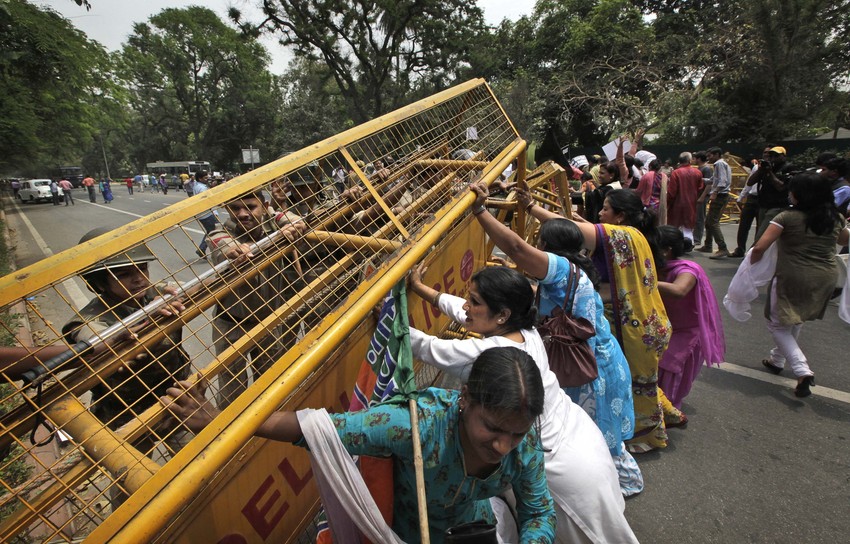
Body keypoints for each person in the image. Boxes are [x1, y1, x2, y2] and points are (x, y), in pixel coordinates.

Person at [163, 346, 557, 542]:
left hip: (471, 532)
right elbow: (317, 428)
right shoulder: (413, 427)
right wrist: (220, 421)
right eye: (492, 430)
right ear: (465, 399)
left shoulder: (523, 440)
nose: (505, 447)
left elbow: (539, 510)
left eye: (517, 434)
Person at [408, 265, 638, 540]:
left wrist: (390, 321)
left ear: (502, 314)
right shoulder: (525, 331)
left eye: (475, 301)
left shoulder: (487, 351)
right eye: (470, 298)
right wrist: (422, 289)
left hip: (560, 466)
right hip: (580, 437)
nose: (468, 306)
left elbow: (427, 347)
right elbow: (464, 311)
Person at [466, 185, 641, 492]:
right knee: (598, 437)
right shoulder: (573, 271)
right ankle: (608, 487)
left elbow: (517, 249)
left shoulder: (559, 269)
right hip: (598, 363)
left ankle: (615, 490)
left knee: (599, 440)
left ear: (546, 245)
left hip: (591, 371)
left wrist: (480, 211)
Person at [520, 187, 674, 454]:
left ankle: (643, 437)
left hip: (634, 329)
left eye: (605, 209)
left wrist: (531, 206)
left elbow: (570, 232)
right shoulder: (634, 234)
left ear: (620, 215)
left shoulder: (620, 235)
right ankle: (651, 424)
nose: (600, 213)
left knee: (635, 384)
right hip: (646, 322)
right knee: (640, 383)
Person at [62, 227, 191, 445]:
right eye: (124, 275)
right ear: (100, 284)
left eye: (142, 269)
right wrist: (142, 323)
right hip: (125, 411)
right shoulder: (88, 320)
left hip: (174, 396)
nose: (139, 279)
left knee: (196, 461)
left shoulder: (155, 293)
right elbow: (95, 340)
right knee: (136, 473)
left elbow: (194, 286)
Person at [206, 190, 306, 408]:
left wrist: (294, 224)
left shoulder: (273, 222)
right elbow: (220, 244)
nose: (242, 214)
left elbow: (291, 218)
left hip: (268, 323)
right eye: (235, 208)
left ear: (264, 206)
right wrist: (234, 250)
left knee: (269, 383)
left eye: (250, 207)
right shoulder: (221, 233)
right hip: (231, 325)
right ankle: (230, 435)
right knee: (232, 390)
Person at [752, 173, 849, 397]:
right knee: (796, 318)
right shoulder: (834, 217)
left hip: (792, 276)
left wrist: (750, 270)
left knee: (777, 323)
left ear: (800, 194)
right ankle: (777, 359)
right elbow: (843, 240)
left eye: (792, 190)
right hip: (825, 276)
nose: (789, 193)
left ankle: (802, 369)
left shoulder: (786, 217)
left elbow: (760, 247)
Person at [655, 226, 726, 410]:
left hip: (688, 334)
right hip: (666, 328)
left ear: (666, 250)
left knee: (669, 370)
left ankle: (667, 412)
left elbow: (679, 290)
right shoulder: (656, 266)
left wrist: (644, 281)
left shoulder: (688, 270)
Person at [748, 146, 794, 241]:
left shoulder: (788, 167)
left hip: (777, 206)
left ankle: (754, 254)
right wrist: (761, 170)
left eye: (776, 155)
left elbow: (781, 187)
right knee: (762, 233)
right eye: (771, 155)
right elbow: (750, 182)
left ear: (783, 156)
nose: (773, 158)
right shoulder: (767, 167)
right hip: (764, 205)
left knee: (761, 237)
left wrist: (769, 172)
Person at [697, 146, 732, 259]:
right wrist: (699, 179)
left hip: (720, 195)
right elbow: (713, 180)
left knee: (713, 222)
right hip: (720, 195)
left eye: (710, 155)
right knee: (709, 221)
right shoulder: (719, 165)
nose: (708, 158)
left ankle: (722, 248)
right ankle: (708, 245)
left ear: (717, 154)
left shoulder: (720, 164)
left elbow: (722, 182)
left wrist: (715, 192)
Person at [666, 152, 704, 244]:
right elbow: (700, 187)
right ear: (690, 160)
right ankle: (689, 244)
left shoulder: (676, 173)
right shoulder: (697, 172)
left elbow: (671, 192)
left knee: (674, 226)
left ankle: (674, 244)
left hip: (677, 204)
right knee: (688, 226)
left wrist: (668, 203)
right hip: (691, 203)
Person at [186, 171, 217, 257]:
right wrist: (215, 212)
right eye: (205, 178)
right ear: (200, 178)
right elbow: (207, 201)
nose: (207, 179)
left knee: (210, 231)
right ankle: (208, 250)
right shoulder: (202, 188)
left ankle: (202, 249)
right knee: (216, 231)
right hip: (207, 214)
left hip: (201, 214)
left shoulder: (196, 186)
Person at [692, 151, 712, 247]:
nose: (694, 160)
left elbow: (709, 184)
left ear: (699, 159)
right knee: (696, 217)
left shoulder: (706, 169)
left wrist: (702, 197)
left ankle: (697, 238)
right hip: (697, 195)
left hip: (702, 196)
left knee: (700, 217)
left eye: (695, 158)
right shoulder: (700, 168)